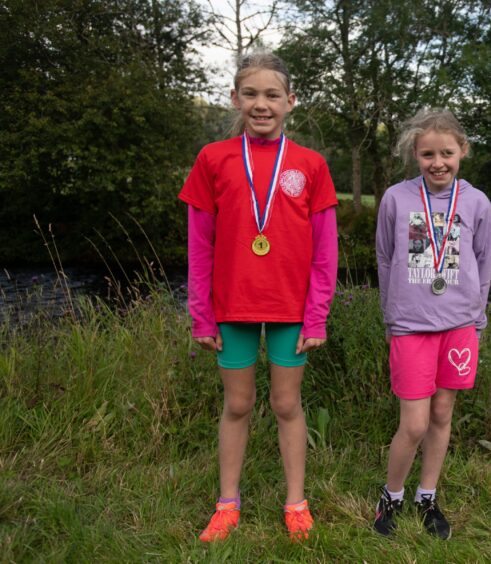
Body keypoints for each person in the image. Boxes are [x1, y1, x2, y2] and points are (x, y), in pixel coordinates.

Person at [179, 53, 338, 542]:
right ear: (234, 99)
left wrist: (317, 316)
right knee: (239, 405)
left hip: (292, 309)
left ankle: (296, 503)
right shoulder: (213, 158)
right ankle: (228, 504)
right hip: (232, 306)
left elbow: (325, 251)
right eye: (250, 94)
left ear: (291, 102)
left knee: (287, 405)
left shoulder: (311, 164)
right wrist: (201, 314)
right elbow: (199, 246)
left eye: (272, 95)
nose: (261, 104)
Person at [374, 109, 491, 539]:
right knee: (415, 423)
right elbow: (385, 258)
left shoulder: (477, 202)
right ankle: (391, 494)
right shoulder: (396, 198)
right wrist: (392, 316)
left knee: (442, 414)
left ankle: (427, 495)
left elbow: (484, 260)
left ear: (463, 150)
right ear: (415, 154)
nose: (437, 162)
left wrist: (477, 317)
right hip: (411, 325)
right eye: (428, 154)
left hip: (459, 324)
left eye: (447, 152)